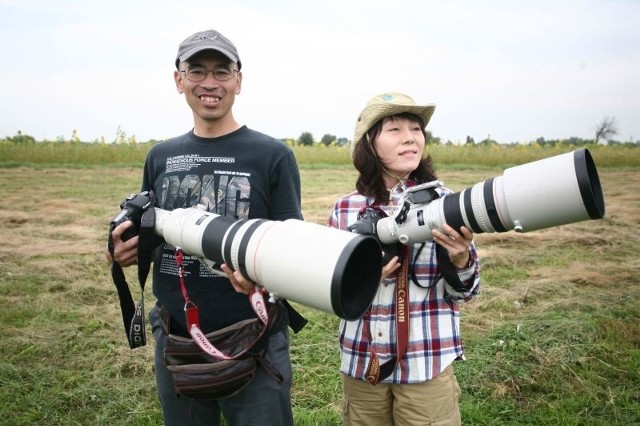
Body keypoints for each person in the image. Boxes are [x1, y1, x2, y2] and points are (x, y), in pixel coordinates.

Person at [109, 29, 302, 426]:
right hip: (177, 336)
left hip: (255, 335)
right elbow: (150, 229)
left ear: (239, 80)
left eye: (222, 71)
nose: (210, 83)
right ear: (179, 80)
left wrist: (261, 279)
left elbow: (292, 249)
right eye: (196, 71)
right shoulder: (161, 156)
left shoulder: (273, 155)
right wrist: (125, 249)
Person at [327, 92, 480, 425]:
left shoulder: (446, 204)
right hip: (362, 361)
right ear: (369, 143)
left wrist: (460, 259)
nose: (410, 137)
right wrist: (361, 277)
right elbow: (328, 287)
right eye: (394, 129)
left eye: (416, 128)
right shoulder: (345, 209)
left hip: (426, 362)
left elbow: (466, 292)